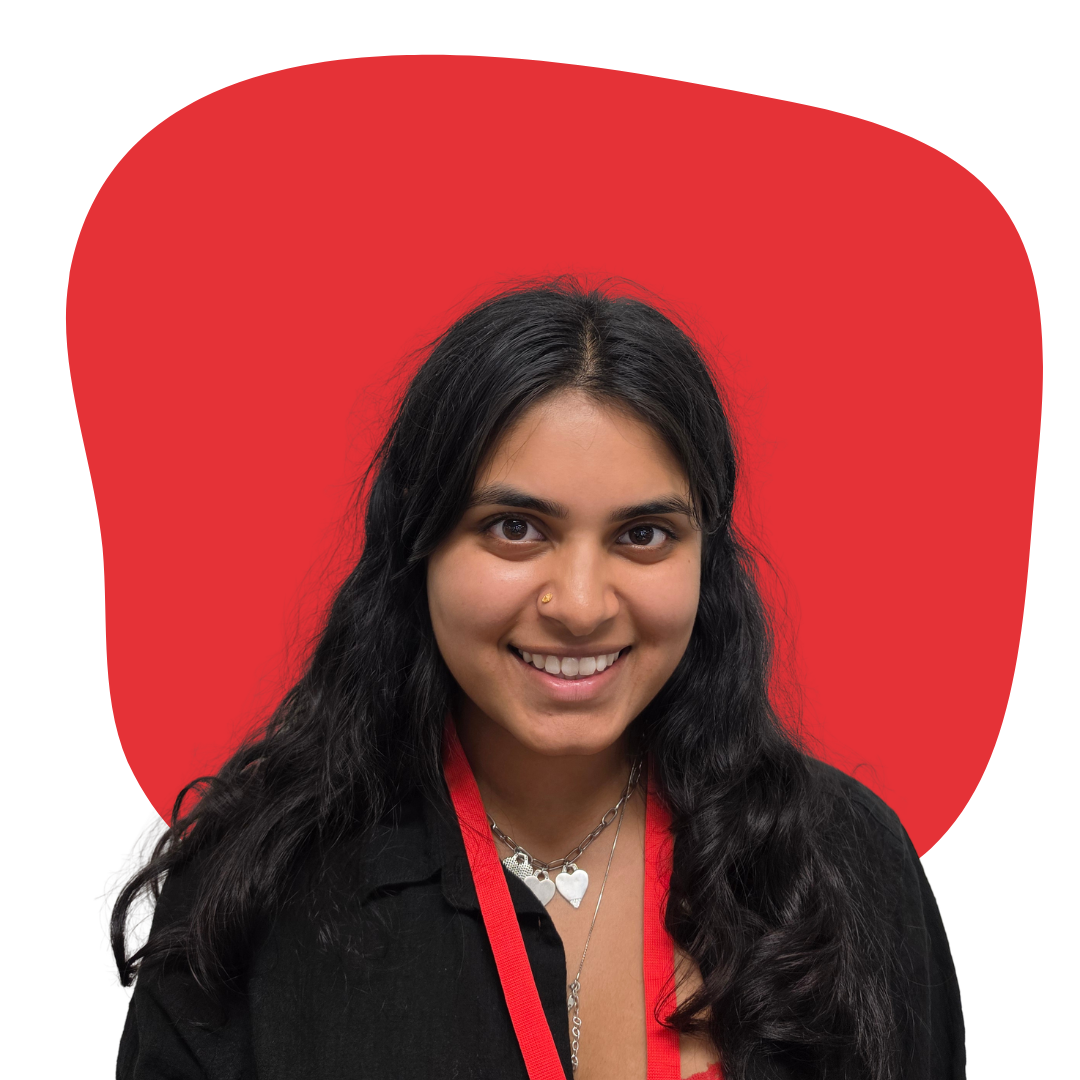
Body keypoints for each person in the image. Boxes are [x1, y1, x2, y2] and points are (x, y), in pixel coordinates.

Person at [112, 280, 964, 1080]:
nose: (582, 606)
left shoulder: (846, 864)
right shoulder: (253, 898)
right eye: (515, 529)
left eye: (643, 535)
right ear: (418, 548)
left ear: (708, 560)